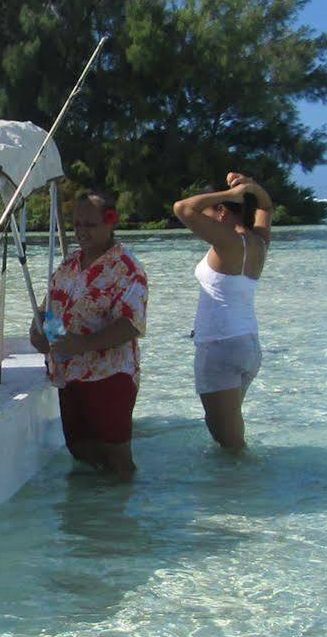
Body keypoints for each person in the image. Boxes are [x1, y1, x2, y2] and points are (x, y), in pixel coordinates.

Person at [30, 189, 148, 478]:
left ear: (110, 222)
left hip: (109, 375)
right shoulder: (70, 263)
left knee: (117, 460)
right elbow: (52, 305)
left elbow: (132, 323)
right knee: (81, 452)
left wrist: (83, 344)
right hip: (69, 374)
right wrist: (40, 331)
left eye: (90, 225)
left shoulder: (127, 268)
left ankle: (121, 517)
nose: (81, 231)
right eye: (77, 224)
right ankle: (91, 518)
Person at [172, 171, 272, 452]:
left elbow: (182, 208)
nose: (207, 218)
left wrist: (231, 194)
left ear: (222, 211)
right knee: (231, 437)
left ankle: (240, 492)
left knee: (229, 444)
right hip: (248, 345)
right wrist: (252, 188)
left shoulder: (228, 242)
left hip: (220, 347)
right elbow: (266, 207)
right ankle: (237, 490)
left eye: (211, 211)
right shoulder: (259, 243)